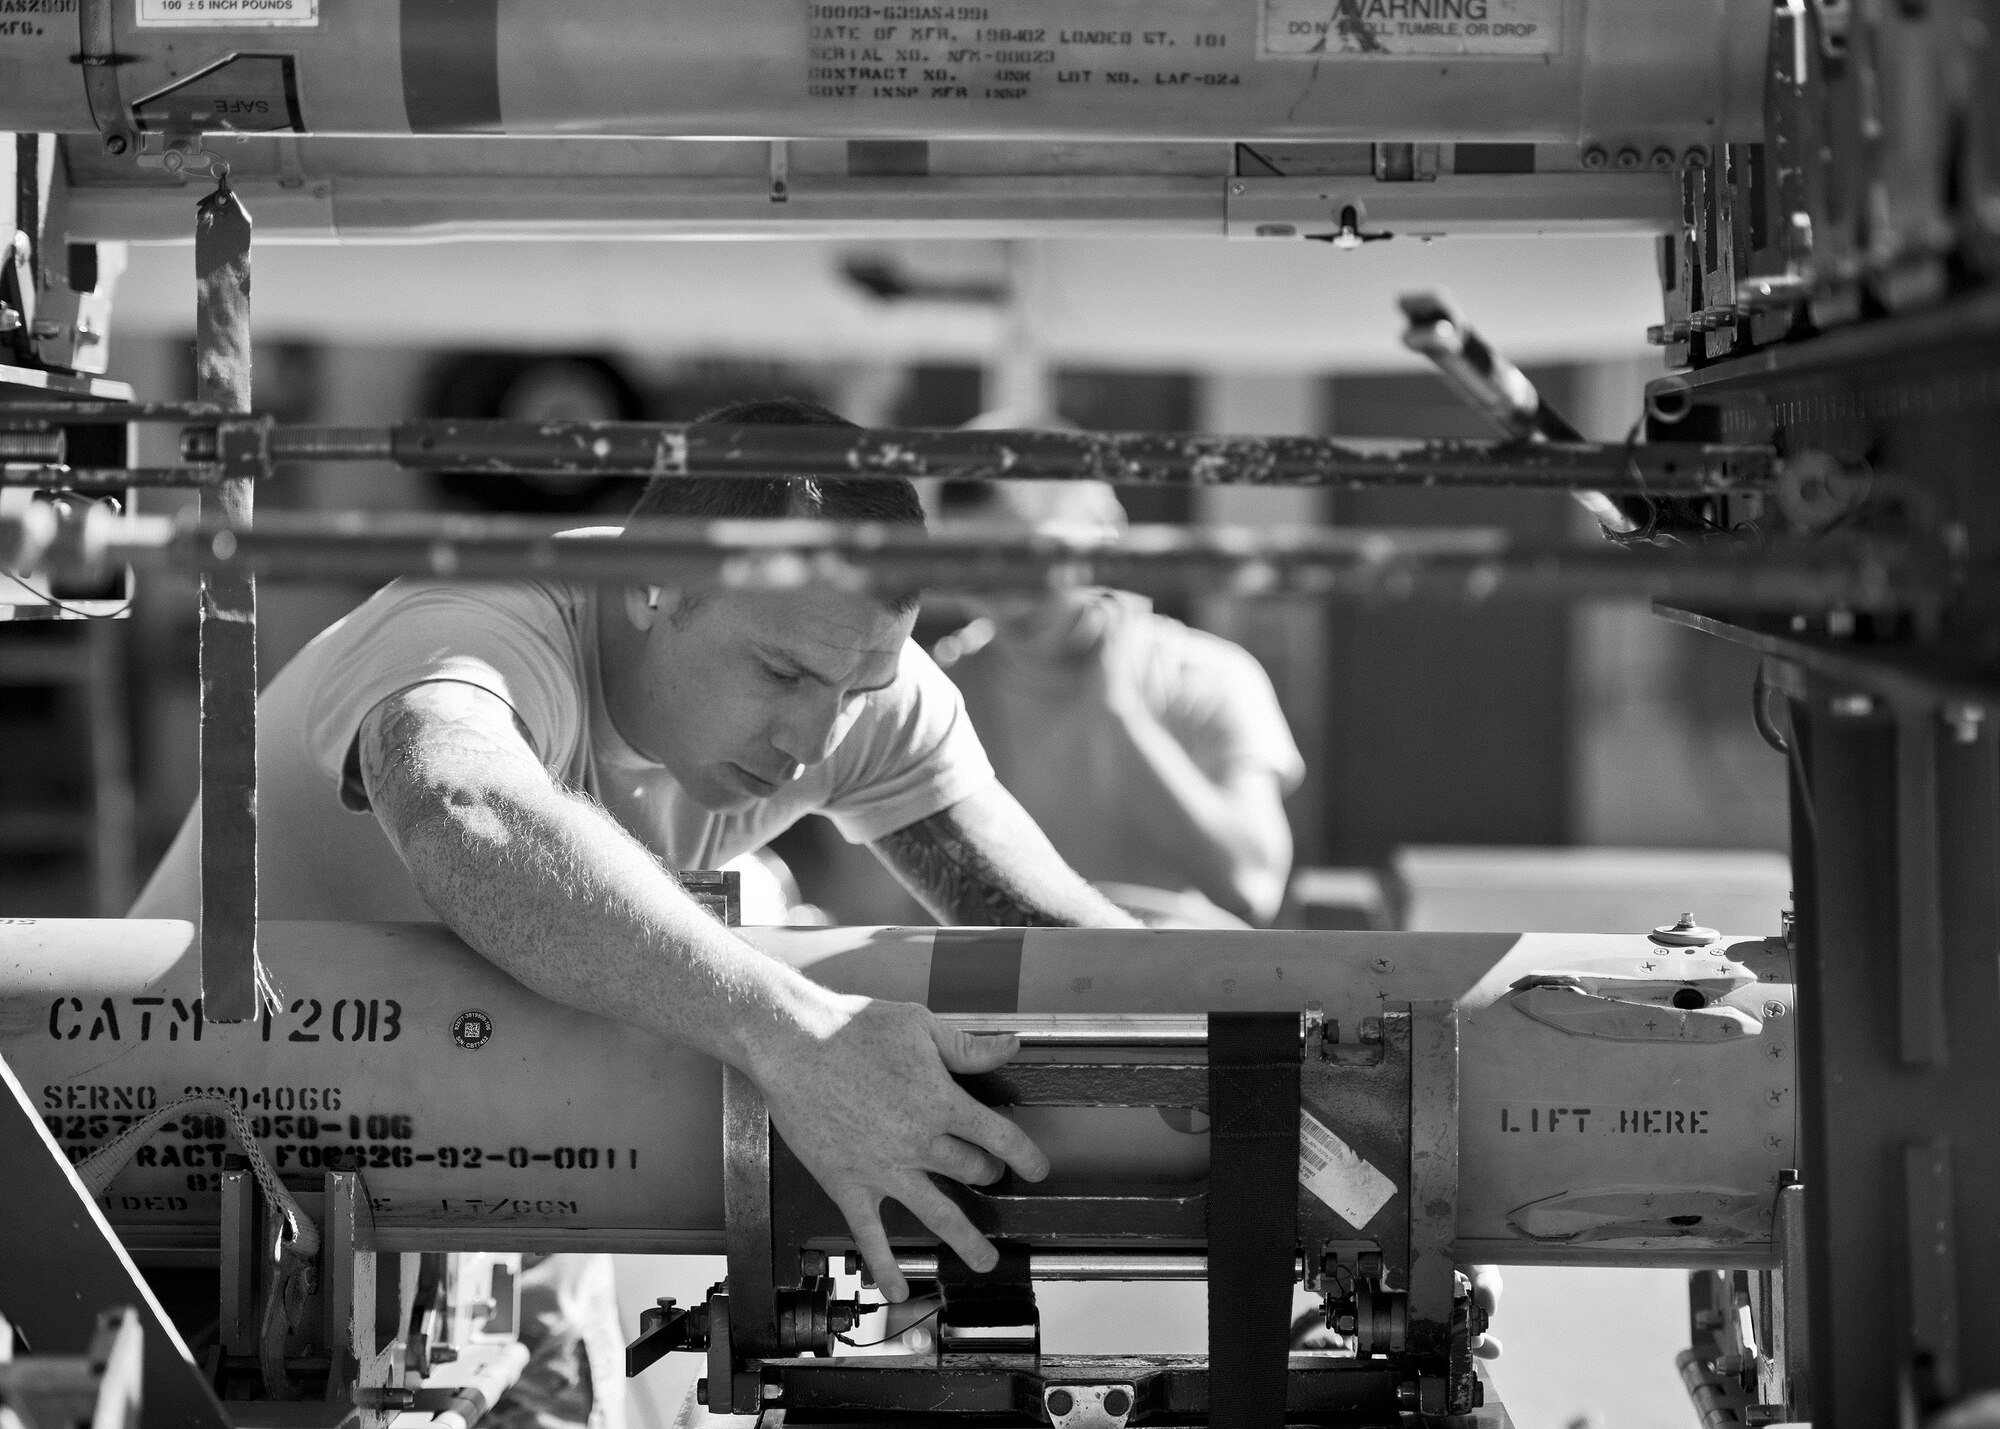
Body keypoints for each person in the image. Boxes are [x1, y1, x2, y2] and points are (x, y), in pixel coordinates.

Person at [130, 398, 1138, 1429]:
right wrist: (797, 1035)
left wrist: (1278, 1038)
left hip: (491, 1200)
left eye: (856, 687)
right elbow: (462, 811)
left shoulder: (848, 672)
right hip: (179, 1193)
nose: (813, 733)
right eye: (779, 673)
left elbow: (1065, 939)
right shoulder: (474, 616)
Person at [931, 479, 1304, 927]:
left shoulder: (1210, 675)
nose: (1002, 584)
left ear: (1107, 529)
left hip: (1180, 984)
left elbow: (1251, 887)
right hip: (1009, 985)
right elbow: (869, 904)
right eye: (969, 558)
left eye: (1031, 553)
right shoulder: (937, 694)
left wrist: (1122, 716)